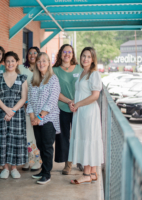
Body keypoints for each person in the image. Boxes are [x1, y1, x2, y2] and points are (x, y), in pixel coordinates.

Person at [68, 47, 103, 184]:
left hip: (88, 112)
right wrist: (73, 103)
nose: (85, 59)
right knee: (88, 139)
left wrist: (78, 104)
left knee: (88, 139)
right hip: (80, 111)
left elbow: (95, 96)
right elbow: (80, 93)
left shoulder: (94, 74)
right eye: (83, 56)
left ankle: (86, 174)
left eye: (89, 56)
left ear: (93, 59)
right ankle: (93, 173)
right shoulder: (82, 72)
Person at [0, 51, 28, 179]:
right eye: (7, 61)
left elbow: (23, 98)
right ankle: (5, 168)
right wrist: (6, 109)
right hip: (1, 113)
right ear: (4, 63)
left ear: (17, 62)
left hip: (17, 114)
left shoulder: (22, 78)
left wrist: (12, 111)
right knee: (3, 140)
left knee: (15, 140)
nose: (10, 63)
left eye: (13, 61)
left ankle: (14, 168)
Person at [27, 52, 60, 185]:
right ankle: (43, 170)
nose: (41, 63)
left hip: (48, 119)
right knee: (40, 146)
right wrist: (32, 117)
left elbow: (52, 101)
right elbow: (29, 100)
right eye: (39, 61)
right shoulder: (33, 80)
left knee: (47, 147)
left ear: (49, 63)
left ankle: (47, 174)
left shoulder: (53, 79)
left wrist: (39, 117)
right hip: (35, 120)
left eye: (44, 61)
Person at [52, 44, 83, 175]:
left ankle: (81, 159)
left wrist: (76, 103)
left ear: (72, 54)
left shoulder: (80, 68)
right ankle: (68, 163)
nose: (67, 54)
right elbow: (54, 91)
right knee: (64, 136)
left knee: (79, 134)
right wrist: (69, 101)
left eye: (69, 52)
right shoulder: (55, 70)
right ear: (60, 54)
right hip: (63, 106)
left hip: (79, 107)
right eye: (64, 52)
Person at [18, 46, 42, 171]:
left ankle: (37, 160)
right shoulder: (21, 68)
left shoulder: (41, 69)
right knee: (26, 135)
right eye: (30, 53)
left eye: (35, 53)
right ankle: (28, 159)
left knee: (37, 135)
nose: (32, 55)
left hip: (38, 108)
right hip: (24, 106)